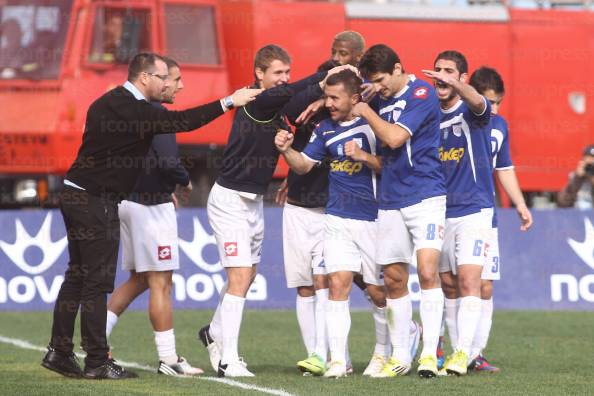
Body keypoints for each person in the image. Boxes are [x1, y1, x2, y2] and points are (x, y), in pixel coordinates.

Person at [41, 52, 261, 380]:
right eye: (164, 79)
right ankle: (97, 361)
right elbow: (183, 121)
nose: (169, 85)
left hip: (75, 194)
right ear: (145, 78)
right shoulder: (136, 110)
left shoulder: (107, 101)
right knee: (96, 282)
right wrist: (229, 101)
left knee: (77, 276)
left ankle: (59, 351)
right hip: (95, 201)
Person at [197, 44, 348, 378]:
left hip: (252, 203)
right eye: (277, 73)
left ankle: (213, 334)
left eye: (286, 72)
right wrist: (326, 76)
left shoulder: (276, 107)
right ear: (259, 75)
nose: (284, 79)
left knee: (246, 277)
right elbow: (298, 91)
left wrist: (323, 94)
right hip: (230, 202)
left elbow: (300, 100)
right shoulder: (256, 100)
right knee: (239, 279)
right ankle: (228, 359)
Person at [275, 69, 384, 378]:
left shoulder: (373, 125)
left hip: (372, 219)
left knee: (377, 292)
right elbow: (304, 165)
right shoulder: (324, 129)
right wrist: (286, 150)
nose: (330, 103)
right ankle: (337, 361)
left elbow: (391, 165)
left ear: (354, 98)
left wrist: (364, 156)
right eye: (327, 97)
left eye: (335, 98)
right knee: (337, 285)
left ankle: (385, 351)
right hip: (336, 218)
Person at [104, 57, 202, 376]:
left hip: (128, 201)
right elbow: (168, 162)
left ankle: (94, 341)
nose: (179, 85)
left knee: (139, 280)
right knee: (161, 282)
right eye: (174, 79)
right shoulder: (157, 113)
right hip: (150, 208)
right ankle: (169, 359)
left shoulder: (127, 109)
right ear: (155, 80)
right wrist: (184, 181)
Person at [353, 44, 446, 378]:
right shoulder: (378, 98)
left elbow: (392, 138)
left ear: (397, 67)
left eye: (380, 80)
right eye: (372, 82)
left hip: (425, 195)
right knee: (393, 279)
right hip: (391, 197)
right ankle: (400, 356)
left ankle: (429, 356)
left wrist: (364, 109)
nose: (377, 87)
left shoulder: (421, 92)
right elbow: (348, 106)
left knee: (426, 271)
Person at [422, 50, 495, 376]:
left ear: (462, 78)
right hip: (438, 209)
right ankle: (451, 351)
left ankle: (463, 354)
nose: (441, 76)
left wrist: (459, 86)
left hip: (473, 210)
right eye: (437, 70)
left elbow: (481, 103)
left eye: (449, 71)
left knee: (469, 280)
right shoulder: (427, 115)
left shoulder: (472, 109)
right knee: (448, 285)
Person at [557, 144, 594, 209]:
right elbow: (563, 202)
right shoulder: (575, 176)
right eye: (589, 159)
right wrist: (578, 178)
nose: (591, 163)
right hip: (576, 214)